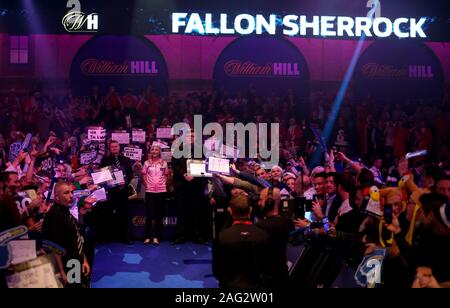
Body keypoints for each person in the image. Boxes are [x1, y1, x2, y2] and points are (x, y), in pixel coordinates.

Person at [212, 195, 272, 288]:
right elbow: (267, 267)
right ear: (250, 210)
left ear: (230, 211)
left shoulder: (222, 237)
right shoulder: (263, 235)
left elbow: (217, 270)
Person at [42, 181, 90, 287]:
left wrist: (84, 260)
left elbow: (77, 237)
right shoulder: (55, 216)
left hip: (77, 261)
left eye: (72, 192)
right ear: (57, 197)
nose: (71, 196)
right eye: (66, 193)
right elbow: (55, 247)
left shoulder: (65, 211)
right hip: (69, 265)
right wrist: (62, 272)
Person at [100, 140, 133, 244]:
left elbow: (130, 174)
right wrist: (110, 182)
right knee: (107, 214)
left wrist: (125, 183)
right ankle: (107, 237)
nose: (114, 148)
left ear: (119, 147)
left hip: (123, 191)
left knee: (124, 214)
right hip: (110, 191)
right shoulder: (105, 160)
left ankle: (125, 237)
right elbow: (103, 175)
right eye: (112, 147)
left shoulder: (126, 160)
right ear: (110, 148)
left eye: (116, 146)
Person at [256, 187, 290, 286]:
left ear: (269, 202)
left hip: (267, 280)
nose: (259, 203)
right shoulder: (285, 222)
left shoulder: (262, 226)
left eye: (261, 200)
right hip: (282, 275)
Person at [141, 144, 169, 245]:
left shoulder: (164, 163)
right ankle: (147, 237)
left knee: (159, 215)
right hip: (150, 192)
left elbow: (166, 176)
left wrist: (163, 185)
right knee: (149, 215)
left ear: (159, 152)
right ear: (150, 151)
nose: (154, 151)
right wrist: (147, 185)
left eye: (156, 150)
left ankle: (157, 237)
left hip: (161, 192)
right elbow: (143, 176)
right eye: (153, 149)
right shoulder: (146, 163)